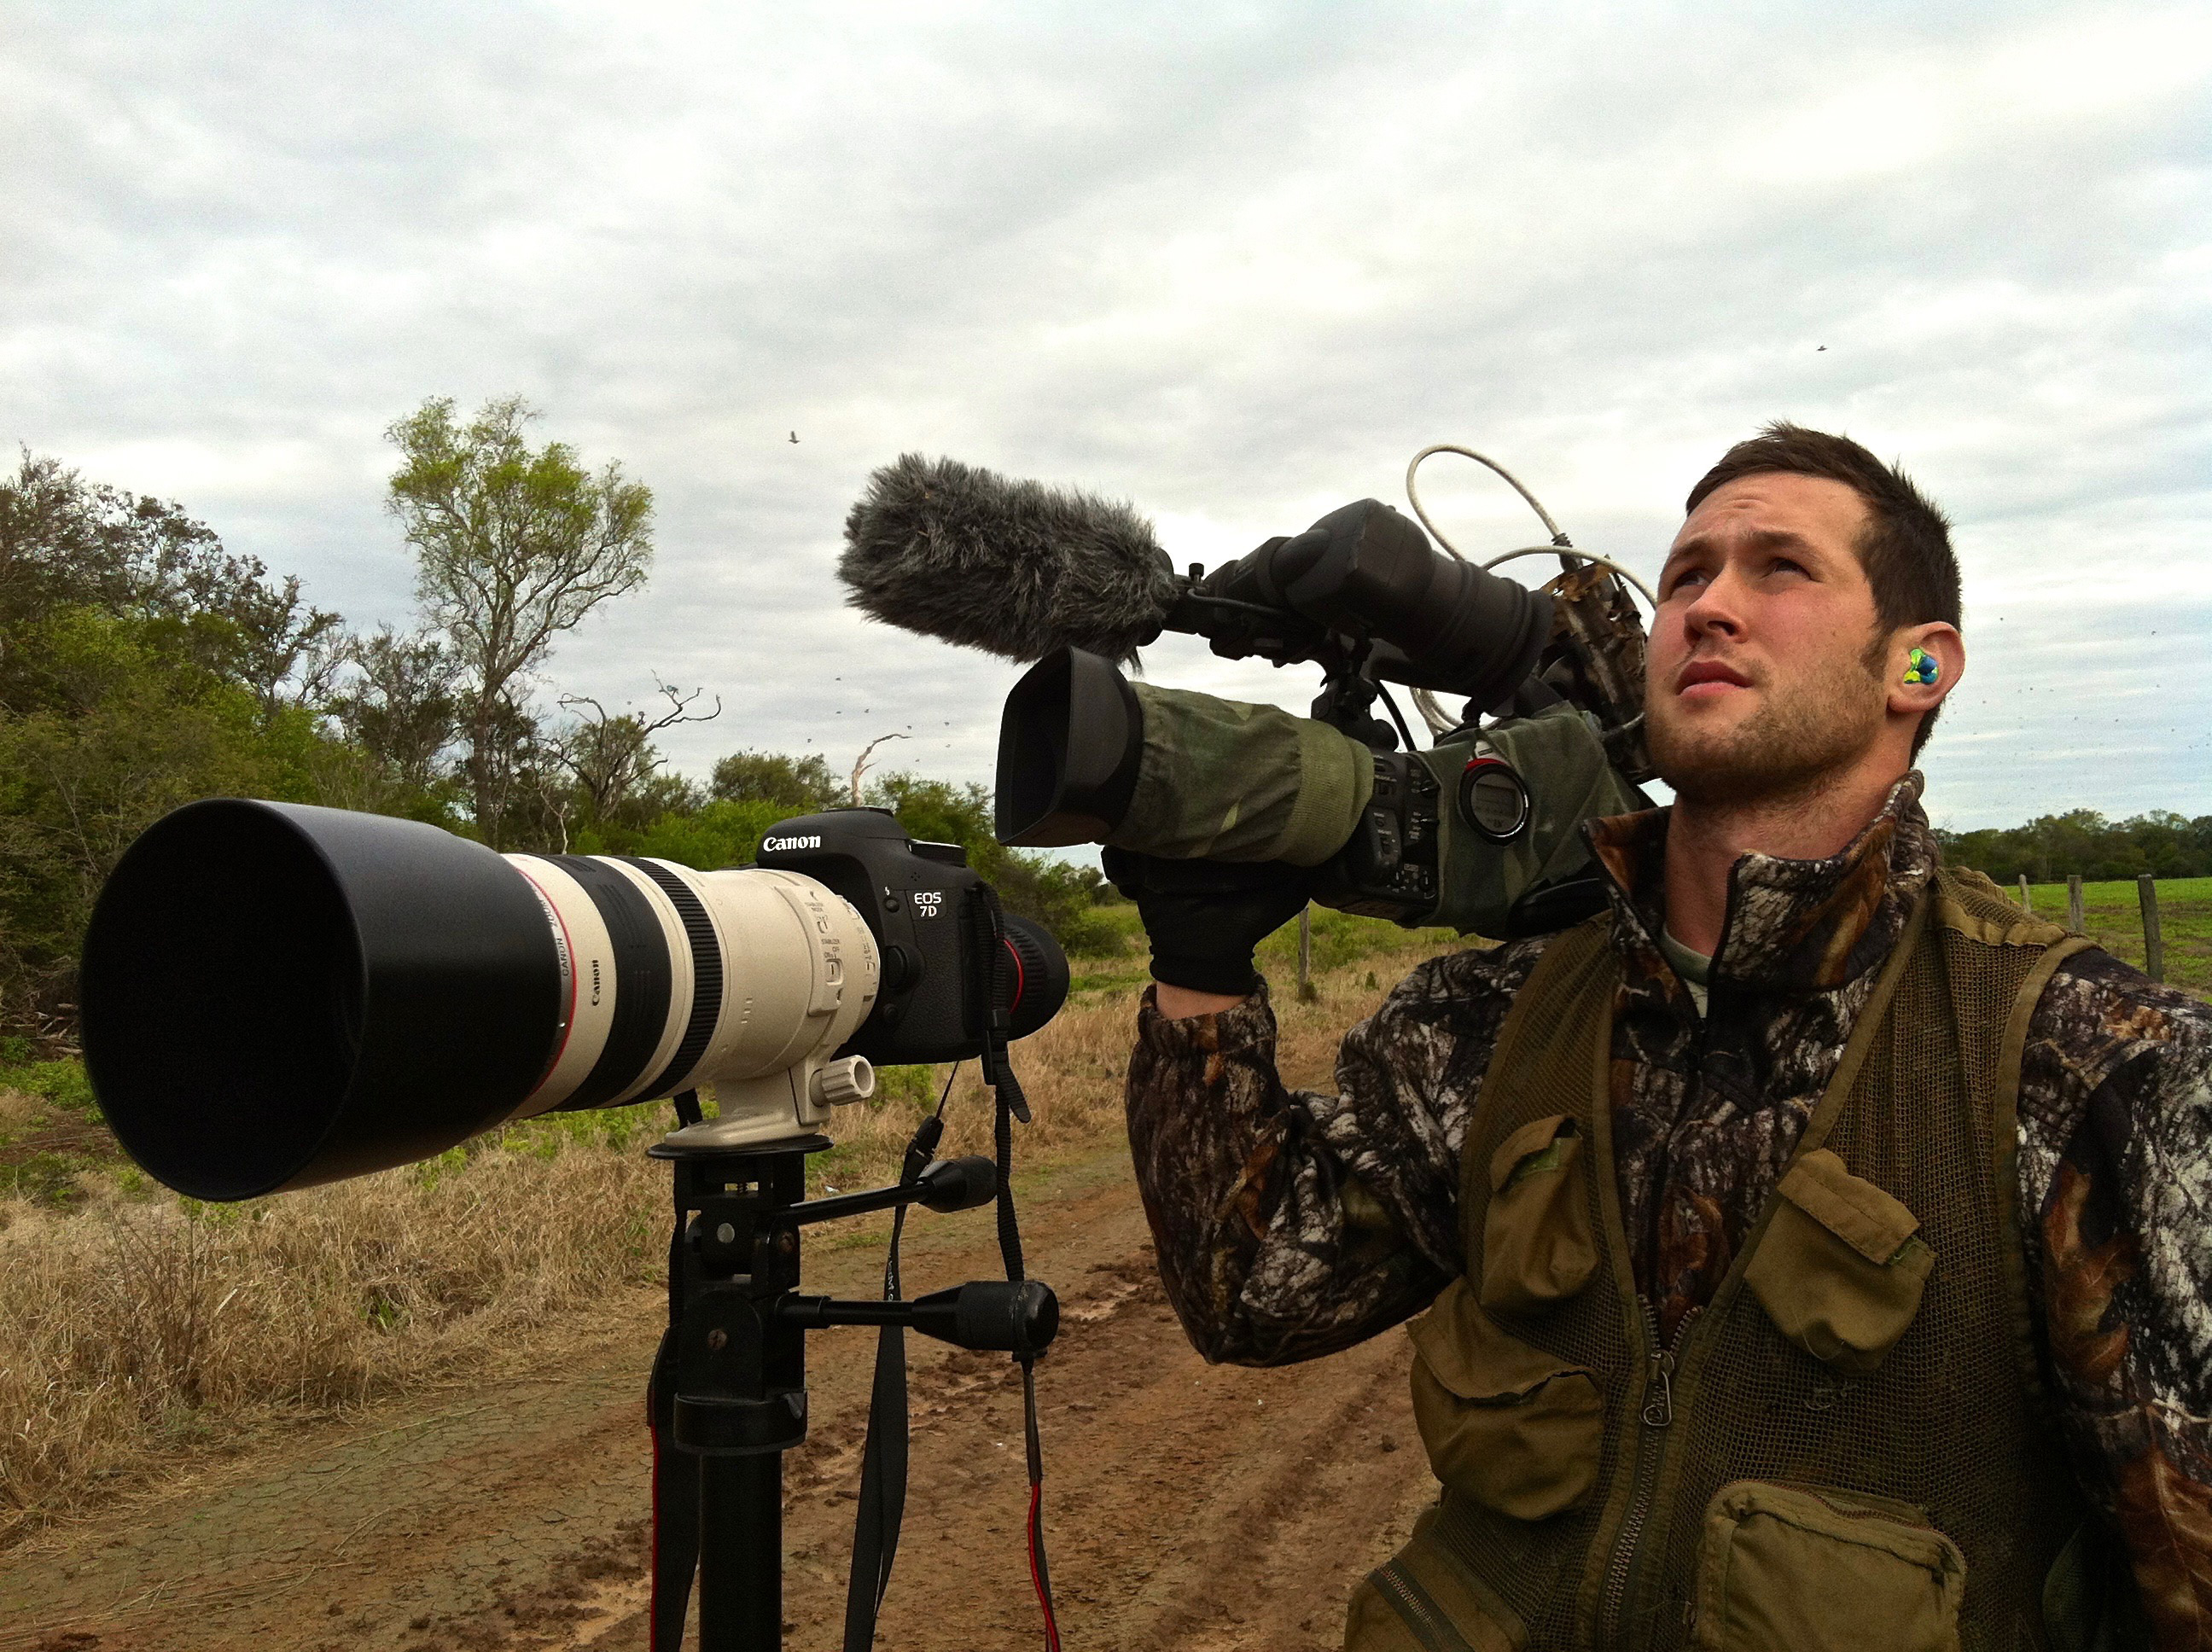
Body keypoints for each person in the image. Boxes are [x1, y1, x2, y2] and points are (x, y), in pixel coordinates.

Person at [1112, 425, 2208, 1650]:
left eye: (1779, 570)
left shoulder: (2105, 1065)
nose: (1708, 607)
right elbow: (1259, 1291)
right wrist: (1199, 972)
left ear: (1920, 665)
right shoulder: (1488, 1016)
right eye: (1686, 575)